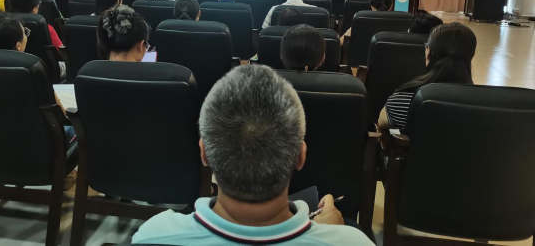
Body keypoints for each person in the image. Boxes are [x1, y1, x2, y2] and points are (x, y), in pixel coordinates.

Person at [132, 64, 373, 245]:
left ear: (204, 153)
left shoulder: (153, 235)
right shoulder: (353, 242)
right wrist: (335, 235)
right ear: (300, 156)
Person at [0, 15, 77, 186]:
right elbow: (60, 116)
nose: (26, 36)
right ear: (18, 45)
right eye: (25, 33)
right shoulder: (31, 71)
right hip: (37, 150)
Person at [380, 22, 477, 133]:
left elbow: (381, 123)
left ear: (428, 52)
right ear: (471, 56)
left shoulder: (404, 100)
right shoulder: (484, 104)